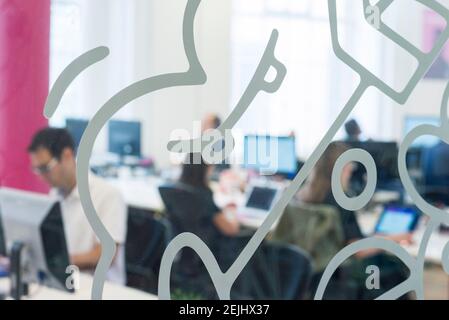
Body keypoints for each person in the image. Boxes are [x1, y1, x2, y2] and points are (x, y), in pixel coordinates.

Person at [297, 141, 412, 299]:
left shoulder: (303, 196)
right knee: (397, 272)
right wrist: (395, 238)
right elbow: (358, 249)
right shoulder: (340, 202)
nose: (350, 174)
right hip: (340, 278)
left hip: (312, 276)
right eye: (350, 169)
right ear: (342, 169)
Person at [28, 128, 127, 285]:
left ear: (67, 156)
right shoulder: (55, 195)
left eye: (45, 168)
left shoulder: (106, 195)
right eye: (37, 170)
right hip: (66, 283)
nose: (41, 177)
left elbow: (105, 255)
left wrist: (56, 261)